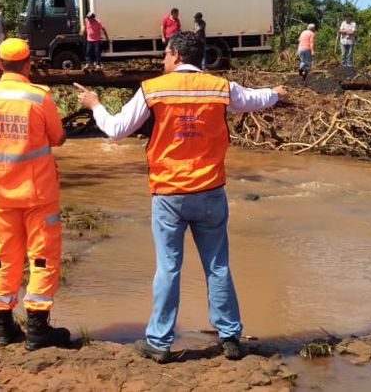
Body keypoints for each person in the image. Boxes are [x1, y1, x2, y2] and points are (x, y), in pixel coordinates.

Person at [74, 31, 285, 364]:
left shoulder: (153, 88)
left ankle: (159, 341)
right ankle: (230, 337)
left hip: (169, 192)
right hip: (211, 190)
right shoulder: (220, 88)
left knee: (168, 268)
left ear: (175, 55)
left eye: (164, 55)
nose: (162, 60)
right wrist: (275, 92)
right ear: (199, 57)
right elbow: (255, 99)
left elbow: (116, 130)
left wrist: (96, 104)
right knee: (217, 265)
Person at [0, 37, 71, 351]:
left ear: (0, 64)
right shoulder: (39, 96)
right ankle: (38, 330)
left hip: (1, 192)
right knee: (42, 258)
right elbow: (57, 137)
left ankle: (3, 328)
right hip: (37, 193)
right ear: (29, 64)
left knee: (4, 258)